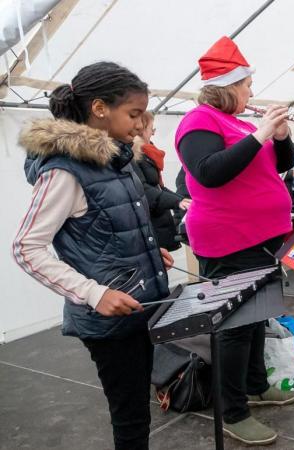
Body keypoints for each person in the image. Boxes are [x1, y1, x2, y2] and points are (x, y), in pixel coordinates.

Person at [12, 62, 173, 450]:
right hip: (109, 320)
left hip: (138, 306)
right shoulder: (64, 171)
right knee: (131, 416)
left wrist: (150, 252)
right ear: (99, 109)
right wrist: (93, 293)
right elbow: (26, 247)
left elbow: (109, 230)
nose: (140, 124)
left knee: (137, 407)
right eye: (133, 114)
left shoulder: (116, 160)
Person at [174, 37, 294, 445]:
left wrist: (278, 137)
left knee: (257, 315)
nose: (251, 92)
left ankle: (256, 385)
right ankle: (233, 411)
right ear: (229, 86)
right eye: (247, 85)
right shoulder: (199, 121)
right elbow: (209, 171)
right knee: (234, 326)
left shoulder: (241, 123)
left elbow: (279, 166)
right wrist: (262, 131)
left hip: (260, 238)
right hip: (228, 240)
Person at [132, 111, 191, 251]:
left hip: (159, 226)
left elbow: (158, 188)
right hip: (150, 228)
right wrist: (178, 201)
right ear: (140, 129)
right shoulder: (134, 156)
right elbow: (143, 189)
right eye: (151, 129)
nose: (153, 133)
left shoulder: (146, 155)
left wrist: (183, 200)